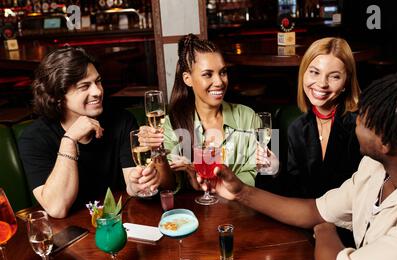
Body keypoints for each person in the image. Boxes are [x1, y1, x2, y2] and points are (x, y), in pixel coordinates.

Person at [200, 72, 397, 260]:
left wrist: (325, 231)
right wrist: (240, 191)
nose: (355, 123)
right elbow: (313, 210)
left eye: (362, 119)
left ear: (384, 143)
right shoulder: (376, 166)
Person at [18, 47, 164, 219]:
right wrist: (69, 140)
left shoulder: (122, 120)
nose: (97, 92)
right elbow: (57, 208)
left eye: (98, 82)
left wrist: (138, 183)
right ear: (57, 95)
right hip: (68, 233)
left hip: (118, 224)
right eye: (84, 86)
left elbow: (132, 185)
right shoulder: (34, 137)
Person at [141, 33, 260, 192]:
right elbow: (167, 185)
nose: (219, 82)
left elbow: (258, 174)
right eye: (207, 74)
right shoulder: (173, 124)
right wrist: (157, 151)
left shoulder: (248, 117)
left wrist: (209, 180)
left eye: (223, 72)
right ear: (187, 78)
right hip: (194, 213)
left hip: (242, 211)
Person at [285, 37, 362, 198]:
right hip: (306, 217)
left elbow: (366, 191)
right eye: (314, 72)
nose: (322, 83)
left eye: (334, 76)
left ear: (346, 82)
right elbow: (293, 189)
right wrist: (273, 169)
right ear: (303, 74)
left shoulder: (361, 126)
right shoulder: (296, 128)